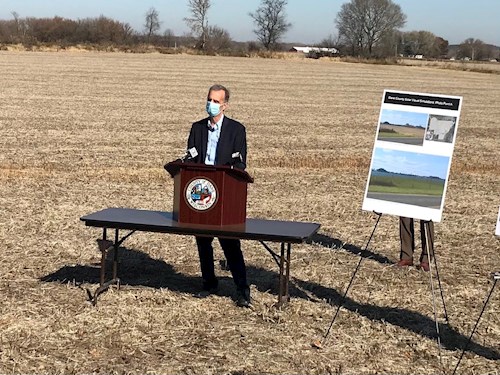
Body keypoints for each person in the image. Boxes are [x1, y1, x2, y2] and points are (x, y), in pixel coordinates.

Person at [186, 84, 251, 308]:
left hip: (224, 194)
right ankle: (208, 282)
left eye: (216, 101)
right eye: (209, 100)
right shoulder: (197, 128)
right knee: (203, 241)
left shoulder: (237, 130)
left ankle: (242, 289)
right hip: (201, 193)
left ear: (225, 105)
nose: (211, 105)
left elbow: (240, 163)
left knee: (230, 244)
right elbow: (191, 157)